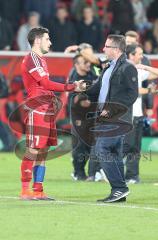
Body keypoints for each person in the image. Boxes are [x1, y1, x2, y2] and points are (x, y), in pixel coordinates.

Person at [20, 27, 85, 200]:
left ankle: (38, 189)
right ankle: (25, 190)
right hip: (36, 109)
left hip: (46, 109)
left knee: (43, 151)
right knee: (33, 149)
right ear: (38, 40)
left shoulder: (41, 60)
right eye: (48, 39)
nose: (50, 42)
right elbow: (45, 83)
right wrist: (71, 87)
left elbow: (45, 85)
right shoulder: (31, 59)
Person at [89, 34, 138, 203]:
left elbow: (132, 94)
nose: (103, 49)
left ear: (116, 49)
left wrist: (111, 110)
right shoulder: (108, 67)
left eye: (106, 46)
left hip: (118, 118)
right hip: (106, 117)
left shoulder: (128, 67)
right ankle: (119, 191)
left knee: (102, 150)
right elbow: (97, 90)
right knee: (114, 154)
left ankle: (119, 188)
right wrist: (78, 88)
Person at [125, 44, 158, 184]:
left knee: (135, 148)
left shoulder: (137, 69)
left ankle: (132, 176)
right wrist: (149, 91)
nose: (142, 56)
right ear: (131, 55)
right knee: (126, 146)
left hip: (138, 114)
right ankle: (112, 173)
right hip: (127, 114)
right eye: (140, 53)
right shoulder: (125, 69)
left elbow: (157, 73)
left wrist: (145, 67)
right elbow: (134, 90)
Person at [68, 54, 98, 180]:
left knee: (91, 146)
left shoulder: (92, 75)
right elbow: (72, 98)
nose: (88, 64)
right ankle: (78, 172)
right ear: (76, 65)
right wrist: (82, 99)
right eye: (84, 62)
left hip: (92, 115)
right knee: (80, 145)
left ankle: (92, 173)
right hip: (79, 117)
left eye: (88, 62)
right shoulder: (75, 78)